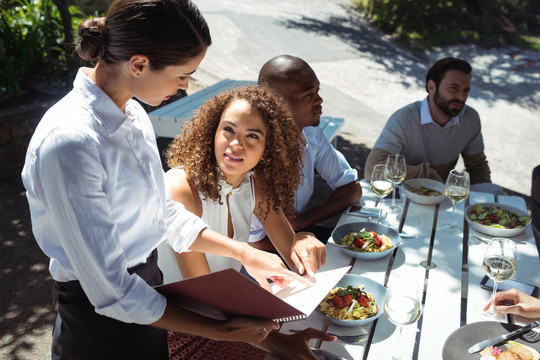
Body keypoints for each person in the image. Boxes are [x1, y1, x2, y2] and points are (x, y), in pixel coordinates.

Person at [20, 1, 310, 358]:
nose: (186, 86)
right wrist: (219, 331)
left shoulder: (134, 113)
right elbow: (113, 292)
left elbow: (162, 213)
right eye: (183, 74)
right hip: (98, 326)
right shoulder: (70, 143)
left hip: (151, 296)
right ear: (139, 64)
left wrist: (246, 253)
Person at [164, 85, 332, 359]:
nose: (236, 144)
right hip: (184, 326)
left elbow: (293, 257)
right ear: (213, 133)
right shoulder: (182, 187)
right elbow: (205, 294)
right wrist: (274, 337)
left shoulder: (255, 184)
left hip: (232, 316)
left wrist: (305, 239)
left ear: (268, 149)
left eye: (252, 136)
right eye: (228, 130)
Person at [249, 55, 362, 250]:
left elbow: (352, 189)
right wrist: (300, 234)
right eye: (309, 94)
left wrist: (303, 221)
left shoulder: (310, 132)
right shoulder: (252, 152)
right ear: (276, 103)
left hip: (296, 236)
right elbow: (253, 244)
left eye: (317, 91)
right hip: (256, 259)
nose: (319, 100)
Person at [364, 57, 504, 194]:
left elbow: (477, 166)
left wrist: (487, 201)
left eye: (466, 90)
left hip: (441, 196)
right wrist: (425, 173)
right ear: (431, 87)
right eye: (454, 88)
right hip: (404, 194)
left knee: (497, 193)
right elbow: (372, 169)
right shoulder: (404, 119)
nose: (461, 97)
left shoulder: (470, 118)